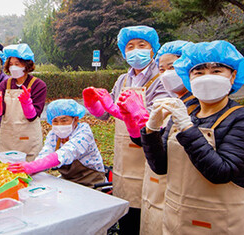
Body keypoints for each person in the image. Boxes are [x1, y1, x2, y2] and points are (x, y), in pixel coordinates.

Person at [141, 40, 244, 234]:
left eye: (216, 71)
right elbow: (160, 166)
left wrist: (188, 128)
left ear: (232, 77)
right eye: (199, 72)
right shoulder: (182, 114)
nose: (207, 78)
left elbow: (221, 172)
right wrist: (151, 130)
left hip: (221, 223)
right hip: (177, 219)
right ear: (188, 78)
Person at [82, 25, 170, 234]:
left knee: (146, 212)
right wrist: (94, 104)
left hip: (150, 153)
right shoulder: (123, 79)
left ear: (153, 49)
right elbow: (105, 114)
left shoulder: (162, 78)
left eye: (142, 45)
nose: (135, 50)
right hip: (125, 157)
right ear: (124, 52)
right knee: (127, 212)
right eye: (130, 46)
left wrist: (115, 108)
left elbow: (156, 119)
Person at [117, 40, 196, 234]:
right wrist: (130, 120)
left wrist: (141, 116)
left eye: (173, 68)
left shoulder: (201, 108)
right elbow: (155, 152)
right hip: (139, 162)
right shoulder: (122, 79)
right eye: (163, 69)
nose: (167, 74)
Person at [8, 99, 106, 187]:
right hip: (68, 181)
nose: (59, 125)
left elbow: (66, 152)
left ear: (75, 119)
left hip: (92, 182)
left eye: (64, 121)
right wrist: (31, 168)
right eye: (55, 121)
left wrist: (32, 166)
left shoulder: (84, 132)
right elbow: (46, 153)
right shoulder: (54, 134)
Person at [0, 43, 47, 160]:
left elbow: (33, 116)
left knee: (29, 169)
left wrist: (27, 104)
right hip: (8, 137)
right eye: (11, 64)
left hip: (28, 138)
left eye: (17, 64)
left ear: (27, 65)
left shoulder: (38, 85)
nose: (13, 67)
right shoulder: (5, 84)